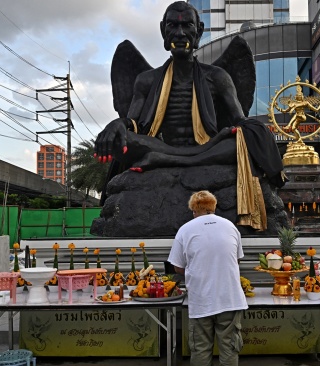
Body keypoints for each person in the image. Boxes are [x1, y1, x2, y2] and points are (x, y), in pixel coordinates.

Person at [94, 1, 284, 231]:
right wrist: (118, 125)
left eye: (187, 26)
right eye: (173, 26)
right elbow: (133, 123)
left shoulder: (218, 76)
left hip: (203, 145)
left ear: (199, 31)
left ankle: (163, 160)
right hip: (174, 147)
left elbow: (239, 119)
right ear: (163, 30)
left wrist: (255, 133)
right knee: (122, 141)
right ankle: (177, 157)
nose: (180, 33)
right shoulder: (147, 80)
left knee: (247, 138)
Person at [167, 190, 247, 365]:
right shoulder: (230, 226)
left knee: (201, 349)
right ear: (213, 207)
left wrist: (197, 269)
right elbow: (237, 259)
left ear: (194, 210)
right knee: (230, 348)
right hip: (230, 299)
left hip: (201, 299)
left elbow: (177, 267)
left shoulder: (185, 230)